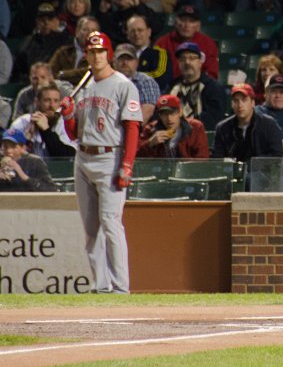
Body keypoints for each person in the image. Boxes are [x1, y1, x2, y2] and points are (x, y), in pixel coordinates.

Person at [59, 31, 143, 294]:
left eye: (101, 51)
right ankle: (101, 285)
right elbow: (74, 133)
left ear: (109, 54)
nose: (96, 56)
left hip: (110, 155)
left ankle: (120, 287)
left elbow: (132, 128)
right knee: (91, 228)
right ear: (86, 55)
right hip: (83, 156)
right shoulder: (84, 86)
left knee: (110, 221)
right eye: (92, 51)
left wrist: (127, 164)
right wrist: (69, 115)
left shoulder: (123, 84)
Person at [212, 83, 283, 165]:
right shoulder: (222, 128)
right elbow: (217, 158)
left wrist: (254, 165)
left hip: (261, 174)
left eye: (244, 100)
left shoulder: (269, 124)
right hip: (231, 174)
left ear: (253, 103)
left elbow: (277, 156)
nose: (240, 105)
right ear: (232, 104)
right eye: (236, 100)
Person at [7, 82, 77, 159]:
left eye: (56, 101)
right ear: (37, 102)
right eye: (47, 100)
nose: (52, 105)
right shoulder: (22, 122)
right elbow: (9, 153)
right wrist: (27, 139)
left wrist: (46, 131)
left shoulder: (64, 123)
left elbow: (68, 156)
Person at [167, 42, 227, 131]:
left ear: (200, 62)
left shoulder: (213, 87)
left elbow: (214, 119)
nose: (187, 62)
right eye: (182, 59)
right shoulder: (171, 86)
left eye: (192, 58)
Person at [155, 3, 220, 80]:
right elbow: (156, 71)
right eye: (183, 20)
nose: (186, 25)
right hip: (169, 87)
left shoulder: (208, 43)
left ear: (198, 25)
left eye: (191, 21)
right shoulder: (162, 42)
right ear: (176, 22)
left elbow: (211, 73)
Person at [137, 94, 209, 159]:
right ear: (159, 116)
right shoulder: (150, 128)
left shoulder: (195, 127)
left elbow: (202, 157)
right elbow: (136, 156)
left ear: (180, 112)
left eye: (172, 113)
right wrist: (150, 143)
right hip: (160, 171)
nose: (169, 118)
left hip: (190, 171)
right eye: (164, 114)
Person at [13, 3, 72, 82]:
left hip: (57, 82)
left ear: (57, 21)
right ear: (36, 22)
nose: (46, 23)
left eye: (50, 19)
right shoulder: (28, 42)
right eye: (42, 20)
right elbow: (18, 68)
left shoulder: (66, 41)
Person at [96, 0, 162, 46]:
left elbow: (156, 28)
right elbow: (103, 35)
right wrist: (102, 11)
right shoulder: (110, 16)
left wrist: (138, 5)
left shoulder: (142, 11)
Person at [113, 43, 160, 124]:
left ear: (137, 62)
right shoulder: (108, 82)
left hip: (137, 130)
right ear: (114, 62)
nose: (125, 63)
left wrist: (128, 131)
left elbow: (147, 111)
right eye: (121, 59)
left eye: (129, 59)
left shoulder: (145, 81)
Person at [126, 14, 173, 92]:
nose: (136, 34)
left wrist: (132, 77)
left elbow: (161, 76)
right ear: (127, 34)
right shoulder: (121, 54)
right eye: (132, 31)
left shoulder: (160, 54)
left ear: (149, 32)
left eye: (140, 30)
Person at [49, 15, 99, 85]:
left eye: (93, 31)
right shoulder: (63, 52)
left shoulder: (100, 54)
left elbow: (91, 72)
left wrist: (63, 74)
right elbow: (49, 73)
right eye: (85, 30)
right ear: (77, 32)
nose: (89, 34)